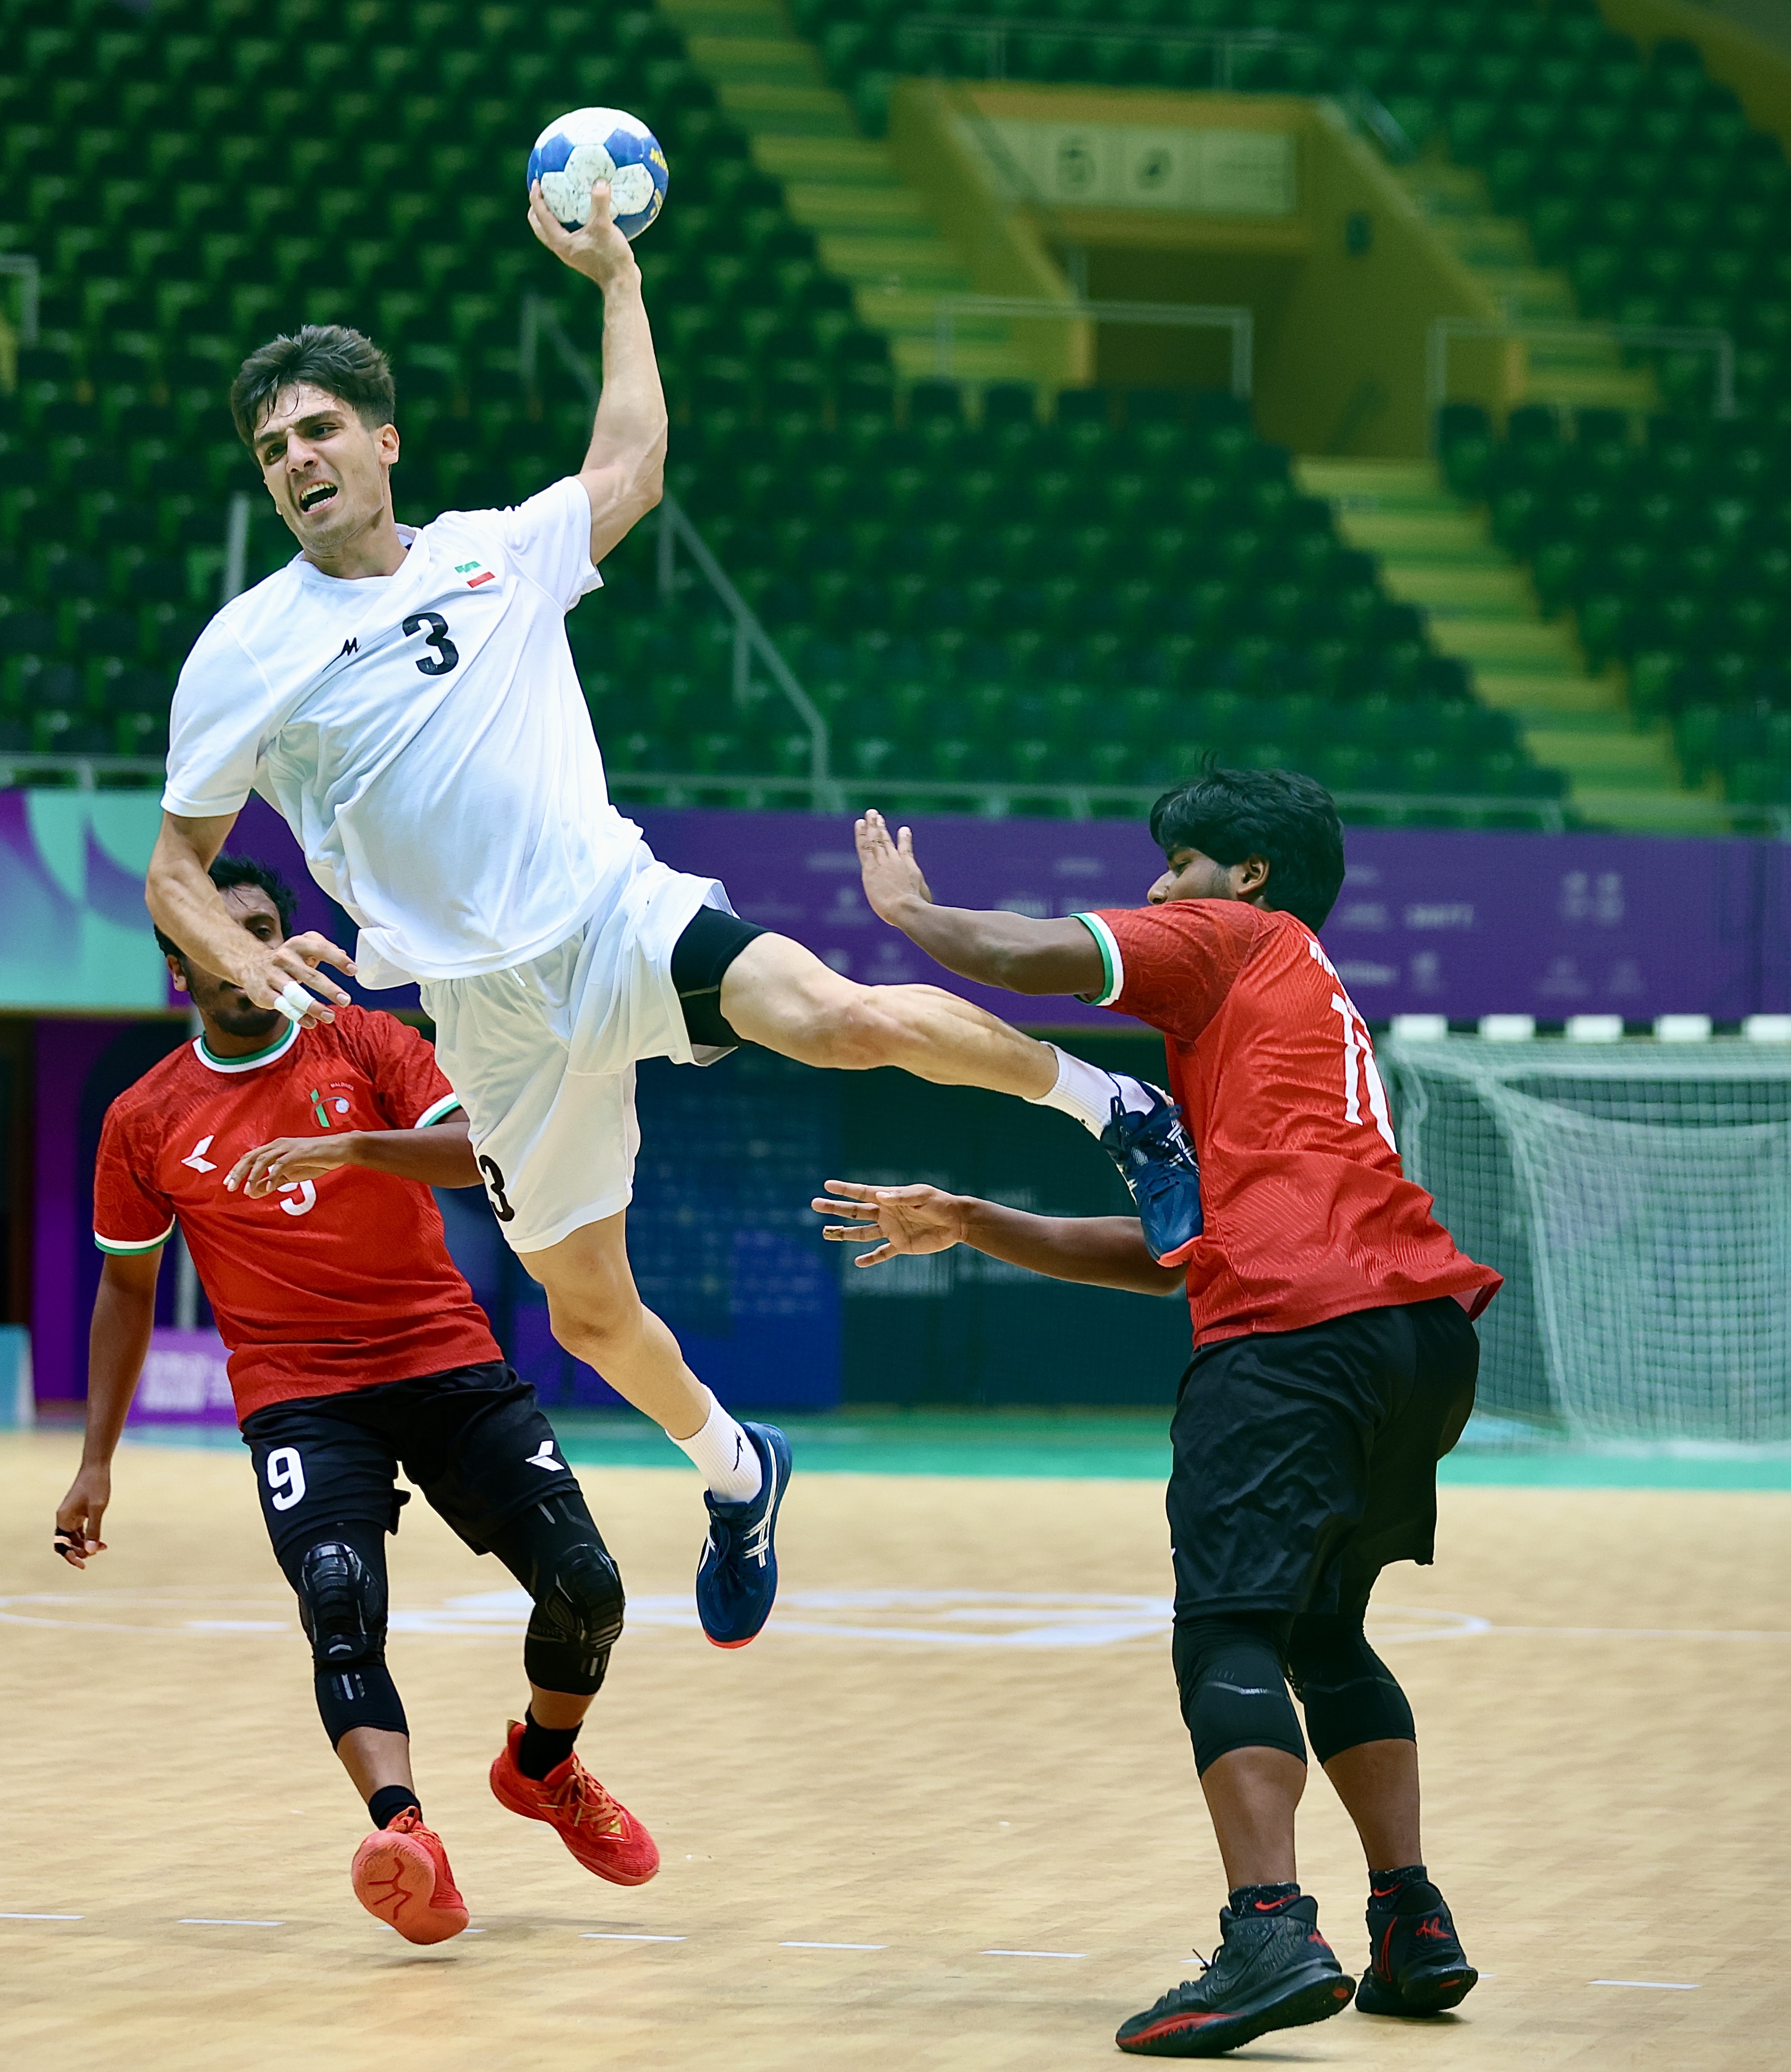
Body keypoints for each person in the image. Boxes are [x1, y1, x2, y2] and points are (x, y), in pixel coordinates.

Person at [141, 175, 1199, 1646]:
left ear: (384, 441)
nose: (295, 459)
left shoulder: (494, 551)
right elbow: (173, 871)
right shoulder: (244, 648)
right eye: (271, 448)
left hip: (612, 913)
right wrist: (243, 962)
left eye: (318, 429)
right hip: (484, 1011)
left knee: (836, 1018)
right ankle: (737, 1469)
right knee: (586, 1315)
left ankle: (1117, 1108)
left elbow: (631, 462)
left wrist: (619, 284)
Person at [815, 768, 1504, 2058]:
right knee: (1325, 1633)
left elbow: (1022, 954)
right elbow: (1178, 1253)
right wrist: (970, 1219)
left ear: (1246, 873)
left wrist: (910, 913)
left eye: (1177, 862)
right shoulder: (1301, 1022)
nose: (1156, 885)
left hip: (1295, 1339)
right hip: (1416, 1337)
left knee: (1226, 1633)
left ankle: (1268, 1931)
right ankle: (1410, 1921)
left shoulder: (1231, 936)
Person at [56, 853, 660, 1945]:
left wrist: (349, 1145)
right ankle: (406, 1836)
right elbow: (126, 1289)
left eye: (265, 927)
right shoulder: (145, 1118)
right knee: (337, 1602)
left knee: (588, 1587)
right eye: (222, 933)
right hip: (300, 1395)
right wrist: (96, 1460)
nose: (252, 948)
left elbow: (478, 1153)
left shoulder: (365, 1043)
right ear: (181, 963)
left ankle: (543, 1765)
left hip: (442, 1357)